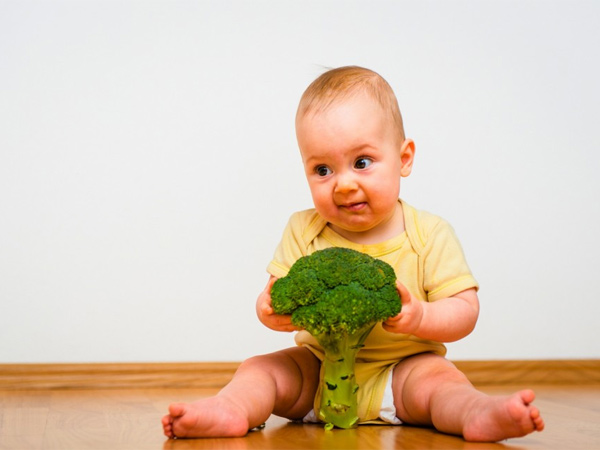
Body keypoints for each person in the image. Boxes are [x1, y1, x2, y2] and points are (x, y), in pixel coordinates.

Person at [162, 66, 545, 442]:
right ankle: (230, 409)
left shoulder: (429, 233)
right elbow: (278, 292)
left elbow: (465, 311)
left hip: (403, 375)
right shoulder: (303, 228)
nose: (344, 185)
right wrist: (270, 310)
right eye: (323, 169)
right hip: (316, 371)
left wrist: (420, 316)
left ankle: (476, 413)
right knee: (259, 370)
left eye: (362, 163)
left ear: (404, 158)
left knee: (443, 382)